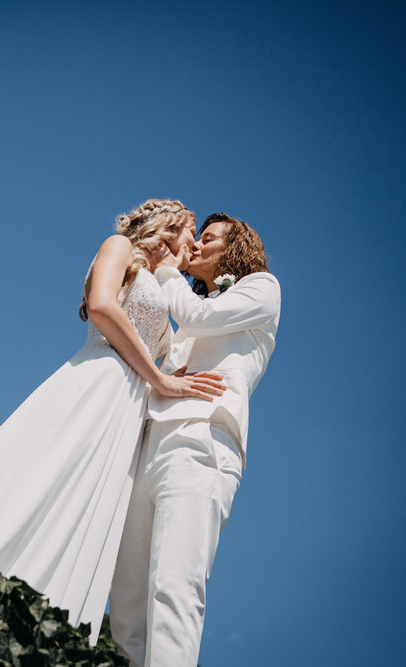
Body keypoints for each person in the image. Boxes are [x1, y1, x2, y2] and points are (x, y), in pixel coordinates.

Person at [0, 200, 226, 644]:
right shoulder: (119, 247)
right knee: (40, 482)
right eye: (191, 231)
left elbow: (178, 355)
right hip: (97, 384)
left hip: (127, 412)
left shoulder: (166, 284)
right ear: (169, 226)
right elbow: (102, 305)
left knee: (80, 510)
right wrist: (158, 377)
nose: (194, 242)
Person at [109, 213, 281, 666]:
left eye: (209, 239)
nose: (197, 246)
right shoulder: (185, 311)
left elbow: (200, 315)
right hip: (149, 440)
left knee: (175, 585)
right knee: (125, 598)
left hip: (202, 441)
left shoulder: (262, 288)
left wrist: (167, 270)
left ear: (235, 248)